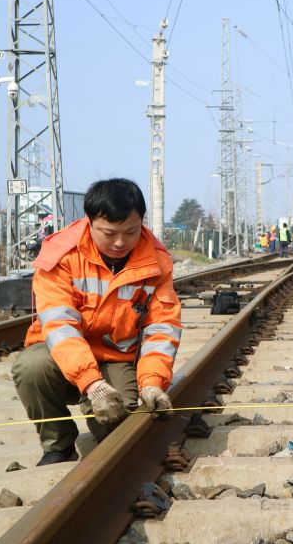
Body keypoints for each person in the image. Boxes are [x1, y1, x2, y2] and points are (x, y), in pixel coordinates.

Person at [11, 179, 181, 466]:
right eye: (109, 233)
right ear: (89, 222)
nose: (119, 242)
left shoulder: (156, 262)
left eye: (131, 232)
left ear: (142, 222)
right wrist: (91, 383)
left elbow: (162, 329)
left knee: (117, 423)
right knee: (30, 367)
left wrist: (151, 383)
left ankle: (103, 436)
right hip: (61, 356)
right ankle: (59, 444)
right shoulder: (61, 256)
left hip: (115, 357)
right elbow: (60, 326)